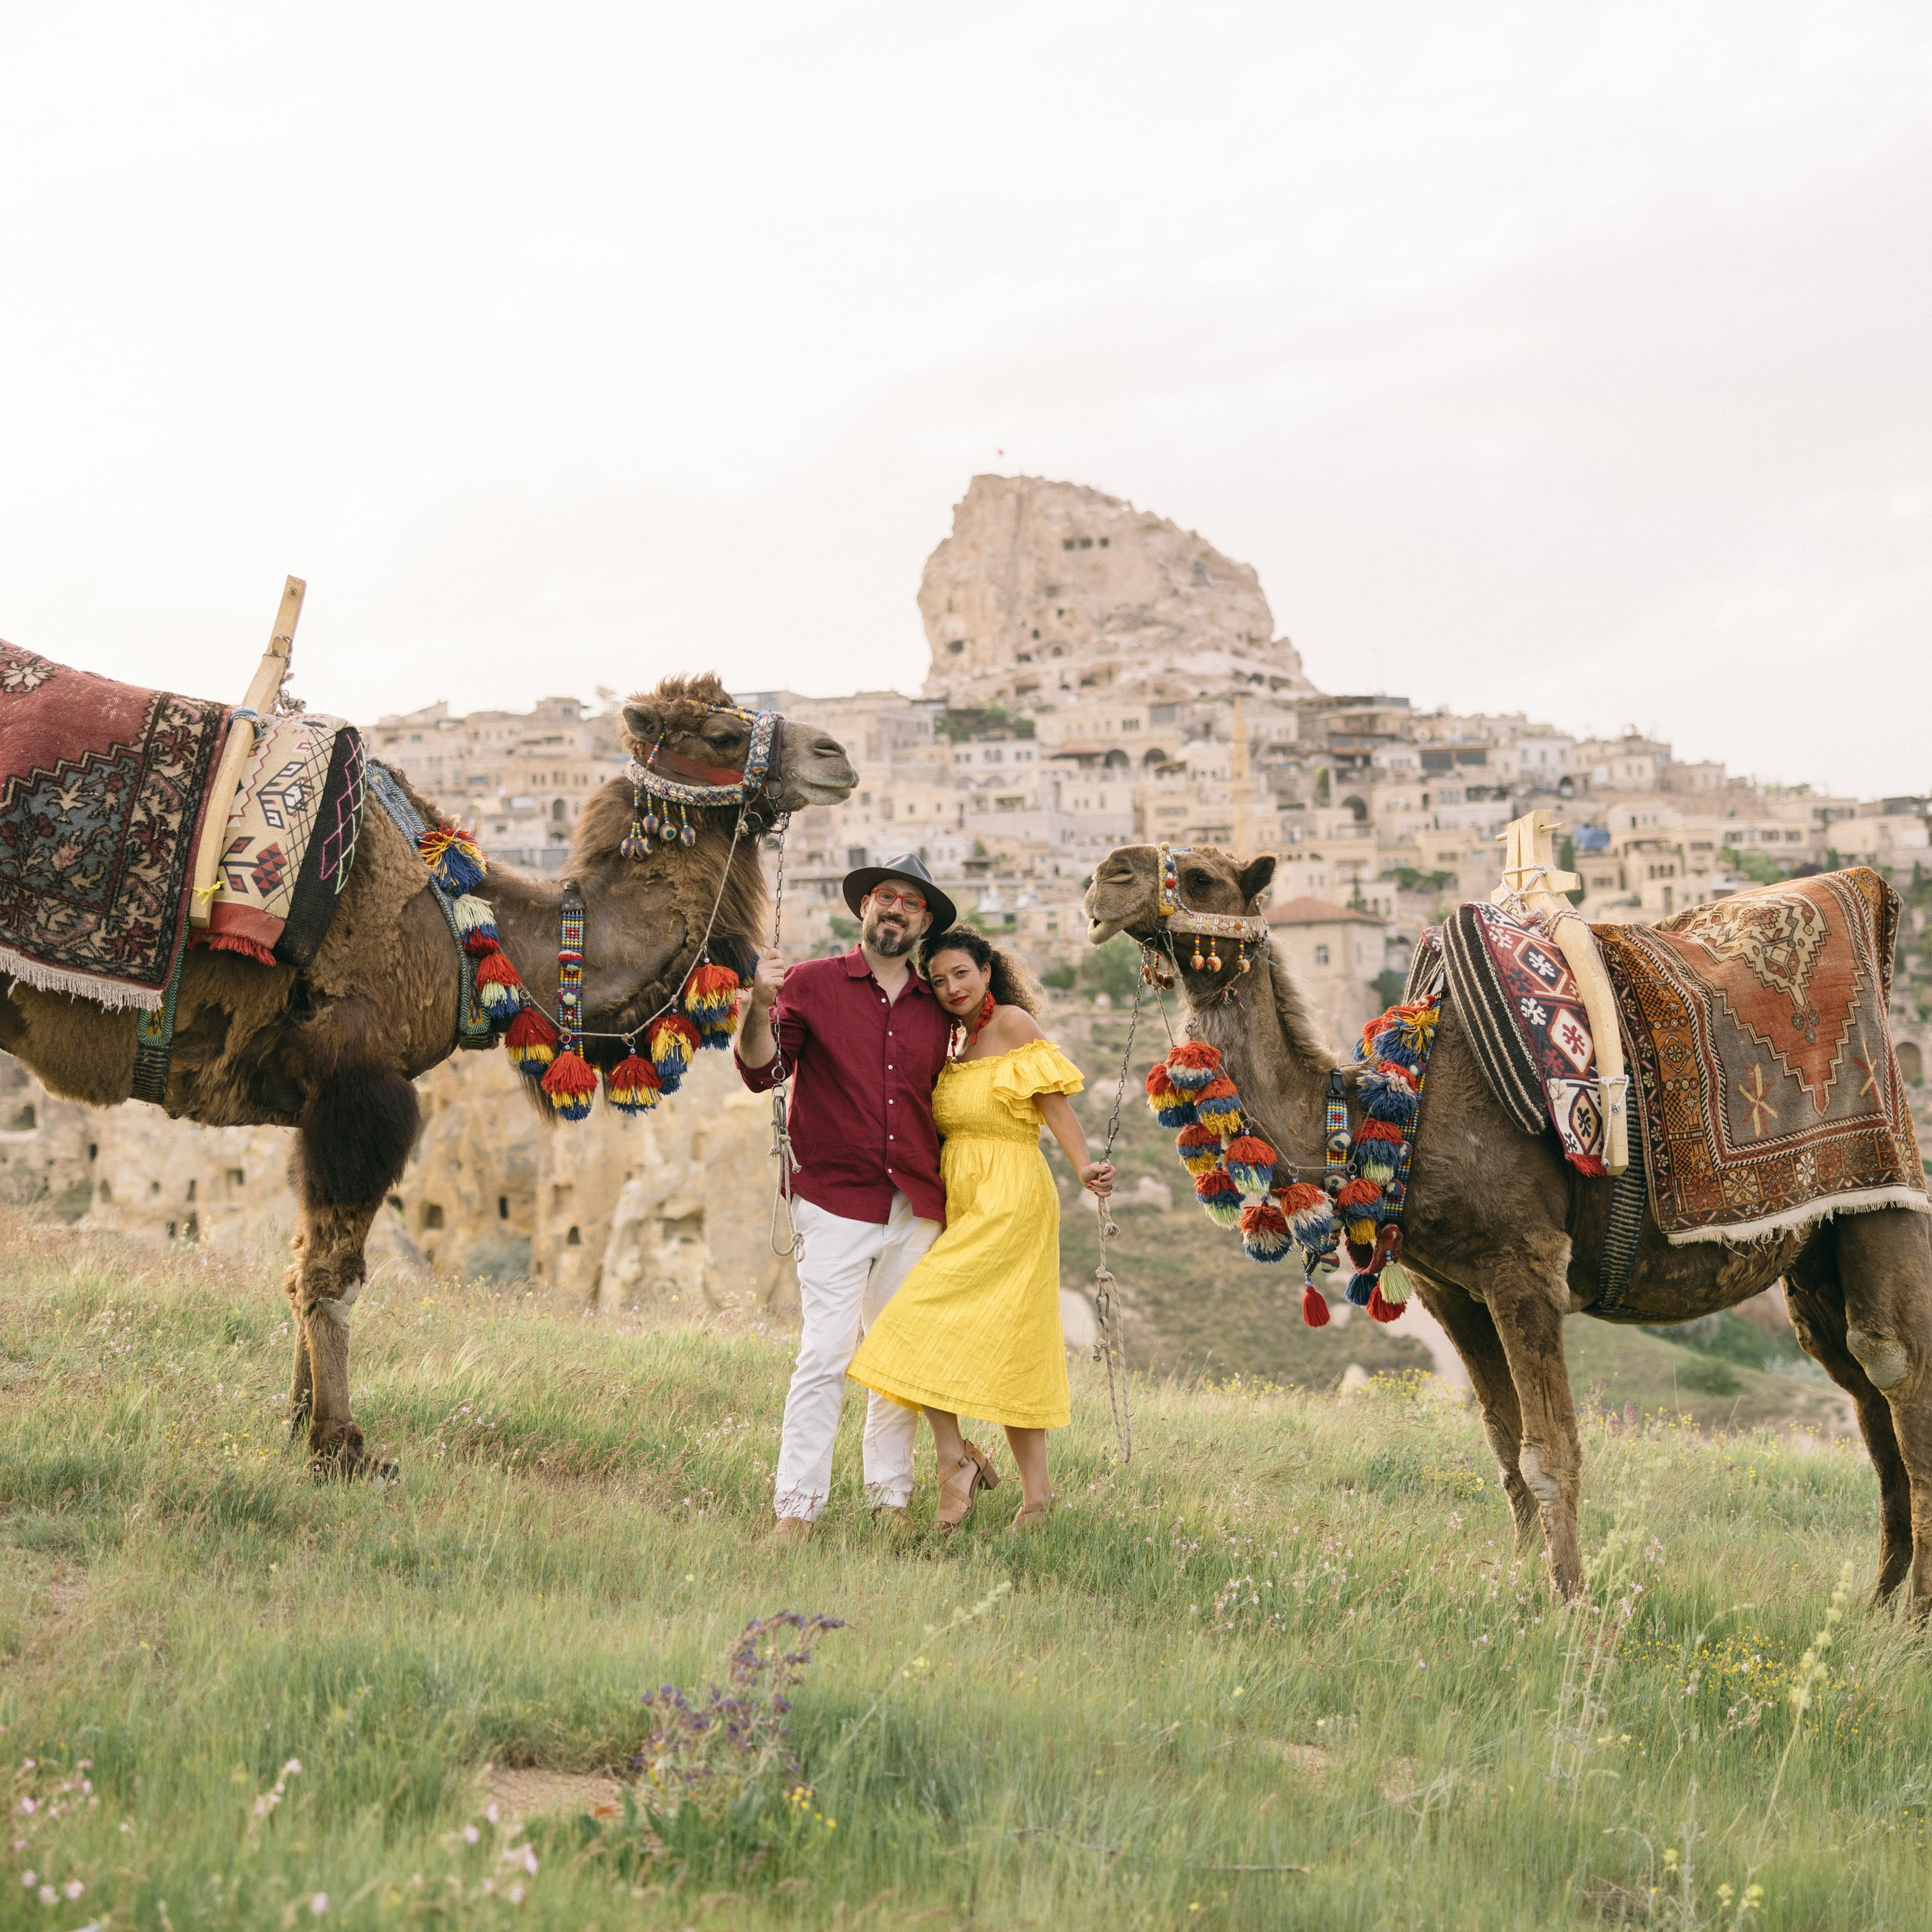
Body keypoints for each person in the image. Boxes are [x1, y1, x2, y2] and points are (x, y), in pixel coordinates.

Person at [848, 926, 1114, 1532]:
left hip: (1011, 1196)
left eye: (961, 973)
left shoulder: (1015, 1024)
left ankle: (964, 1468)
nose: (950, 988)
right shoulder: (953, 1044)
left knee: (918, 1318)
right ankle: (1004, 1482)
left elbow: (1055, 1107)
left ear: (987, 970)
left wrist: (1085, 1169)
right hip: (961, 1200)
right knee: (973, 1334)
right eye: (938, 981)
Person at [736, 853, 957, 1546]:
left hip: (913, 1202)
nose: (895, 910)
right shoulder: (810, 984)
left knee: (894, 1359)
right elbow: (761, 1069)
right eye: (885, 898)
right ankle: (796, 1510)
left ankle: (890, 1500)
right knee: (825, 1355)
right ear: (864, 908)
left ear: (924, 922)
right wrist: (760, 1004)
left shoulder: (937, 1007)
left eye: (911, 904)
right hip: (832, 1197)